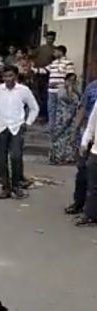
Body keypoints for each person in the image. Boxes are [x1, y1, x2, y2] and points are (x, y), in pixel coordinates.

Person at [0, 65, 39, 199]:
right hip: (0, 127)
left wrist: (27, 123)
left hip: (17, 127)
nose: (8, 79)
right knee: (1, 159)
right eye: (5, 76)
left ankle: (16, 186)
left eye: (10, 76)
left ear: (16, 76)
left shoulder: (23, 90)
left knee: (16, 156)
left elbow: (34, 108)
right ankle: (5, 188)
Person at [65, 78, 97, 215]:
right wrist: (75, 131)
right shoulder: (92, 87)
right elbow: (83, 109)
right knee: (83, 171)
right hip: (90, 134)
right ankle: (79, 203)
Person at [33, 45, 76, 133]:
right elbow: (44, 70)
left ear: (60, 52)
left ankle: (58, 129)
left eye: (55, 52)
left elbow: (71, 77)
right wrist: (32, 69)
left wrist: (67, 88)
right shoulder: (54, 63)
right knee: (51, 109)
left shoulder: (68, 63)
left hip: (61, 90)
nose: (54, 53)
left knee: (60, 109)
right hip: (51, 90)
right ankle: (51, 128)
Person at [50, 73, 80, 165]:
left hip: (72, 117)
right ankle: (57, 157)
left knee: (70, 137)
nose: (71, 82)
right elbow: (67, 99)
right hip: (62, 117)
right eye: (70, 80)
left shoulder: (76, 91)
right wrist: (69, 89)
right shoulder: (61, 90)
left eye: (73, 81)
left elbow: (78, 101)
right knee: (59, 137)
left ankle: (68, 157)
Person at [76, 96, 97, 226]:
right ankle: (90, 214)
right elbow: (91, 124)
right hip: (96, 151)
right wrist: (85, 142)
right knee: (92, 186)